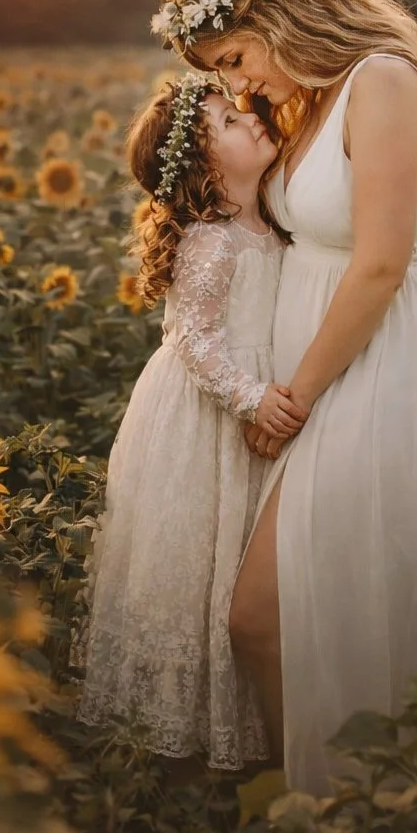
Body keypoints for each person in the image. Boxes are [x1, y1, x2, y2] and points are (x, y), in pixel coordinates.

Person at [150, 0, 417, 793]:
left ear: (273, 15)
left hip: (371, 368)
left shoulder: (384, 82)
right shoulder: (316, 98)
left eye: (234, 56)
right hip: (321, 370)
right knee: (328, 604)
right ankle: (355, 804)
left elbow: (377, 265)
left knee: (263, 615)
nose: (237, 84)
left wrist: (291, 394)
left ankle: (348, 808)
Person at [71, 72, 309, 770]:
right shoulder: (213, 239)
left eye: (236, 108)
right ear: (205, 165)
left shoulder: (269, 216)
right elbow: (194, 342)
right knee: (211, 564)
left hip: (266, 396)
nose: (248, 116)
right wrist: (251, 398)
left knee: (254, 556)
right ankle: (214, 746)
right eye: (228, 123)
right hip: (212, 417)